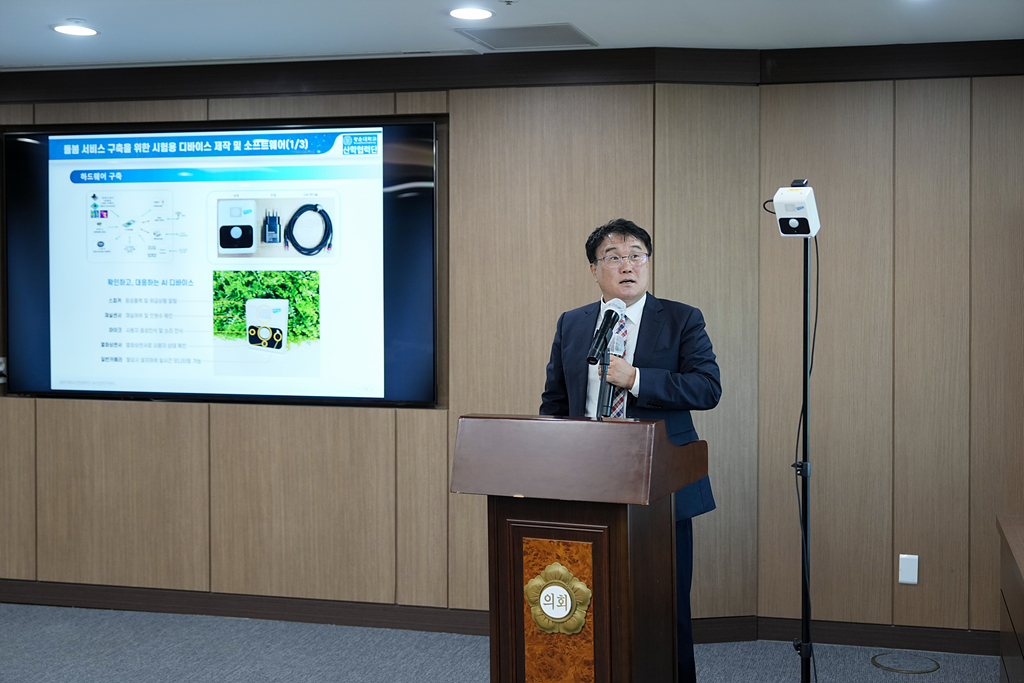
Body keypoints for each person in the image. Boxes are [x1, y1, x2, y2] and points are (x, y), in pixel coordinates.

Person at [540, 218, 721, 683]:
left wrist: (636, 378)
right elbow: (555, 402)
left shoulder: (682, 318)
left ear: (649, 264)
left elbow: (707, 388)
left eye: (637, 254)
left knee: (665, 602)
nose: (627, 265)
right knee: (589, 596)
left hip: (662, 484)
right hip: (587, 481)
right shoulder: (573, 323)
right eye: (614, 256)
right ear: (594, 269)